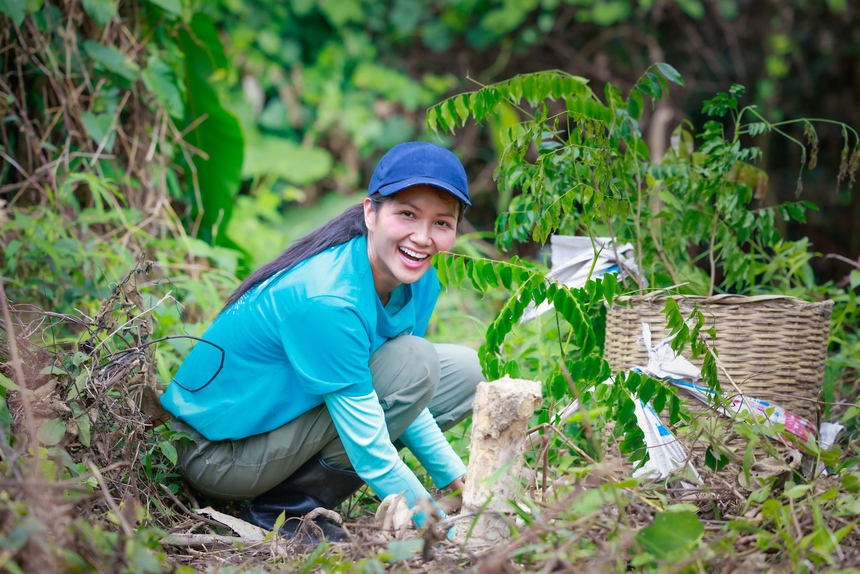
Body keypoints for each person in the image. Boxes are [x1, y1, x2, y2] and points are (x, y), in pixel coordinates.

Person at [161, 141, 483, 541]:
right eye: (407, 214)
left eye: (442, 223)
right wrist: (441, 530)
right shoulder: (329, 298)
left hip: (280, 425)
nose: (422, 237)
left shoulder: (418, 278)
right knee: (415, 360)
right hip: (217, 454)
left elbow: (405, 390)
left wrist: (457, 479)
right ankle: (285, 511)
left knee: (464, 370)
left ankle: (292, 494)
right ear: (370, 212)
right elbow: (374, 441)